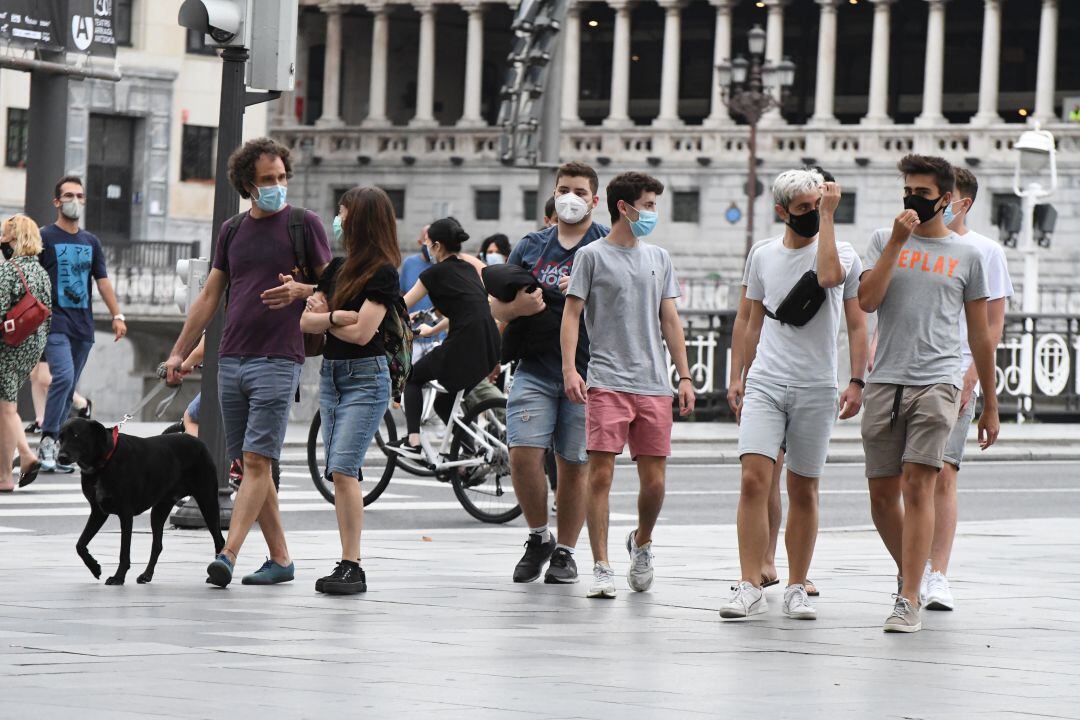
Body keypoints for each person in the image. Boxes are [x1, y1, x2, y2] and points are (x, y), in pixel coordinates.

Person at [165, 137, 332, 588]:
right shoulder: (233, 231)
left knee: (258, 464)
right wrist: (180, 351)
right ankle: (280, 559)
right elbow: (208, 296)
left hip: (279, 358)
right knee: (249, 465)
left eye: (281, 177)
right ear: (247, 185)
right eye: (267, 180)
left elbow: (335, 287)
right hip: (231, 358)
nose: (277, 186)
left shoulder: (304, 224)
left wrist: (302, 292)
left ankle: (228, 553)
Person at [858, 154, 999, 633]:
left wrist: (989, 402)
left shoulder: (968, 256)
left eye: (922, 192)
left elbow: (981, 335)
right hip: (885, 380)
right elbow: (867, 301)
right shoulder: (883, 240)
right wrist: (896, 242)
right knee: (881, 496)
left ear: (945, 199)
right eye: (907, 190)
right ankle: (911, 573)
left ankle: (908, 595)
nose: (912, 199)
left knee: (920, 484)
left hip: (938, 381)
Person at [719, 170, 867, 620]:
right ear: (781, 211)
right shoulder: (762, 254)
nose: (810, 216)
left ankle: (798, 583)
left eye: (816, 207)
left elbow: (836, 291)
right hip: (766, 379)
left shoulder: (839, 250)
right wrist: (737, 375)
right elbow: (747, 319)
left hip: (816, 385)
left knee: (803, 487)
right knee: (753, 480)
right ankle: (748, 582)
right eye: (802, 209)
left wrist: (856, 380)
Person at [562, 171, 695, 599]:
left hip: (654, 384)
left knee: (654, 483)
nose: (653, 212)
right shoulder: (591, 256)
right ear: (625, 207)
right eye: (649, 204)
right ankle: (601, 565)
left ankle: (642, 543)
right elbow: (571, 315)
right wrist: (570, 368)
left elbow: (670, 319)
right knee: (599, 475)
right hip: (606, 381)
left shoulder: (659, 257)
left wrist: (685, 376)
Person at [493, 162, 608, 585]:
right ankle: (538, 536)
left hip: (590, 371)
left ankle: (565, 551)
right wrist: (513, 314)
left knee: (574, 464)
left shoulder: (606, 244)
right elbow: (498, 305)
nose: (570, 199)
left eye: (580, 191)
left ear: (595, 200)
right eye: (563, 190)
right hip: (534, 367)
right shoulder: (531, 246)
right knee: (523, 454)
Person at [918, 167, 1013, 611]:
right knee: (909, 478)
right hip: (909, 372)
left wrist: (975, 374)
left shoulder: (985, 251)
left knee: (945, 473)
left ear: (962, 202)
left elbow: (993, 325)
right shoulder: (913, 242)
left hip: (956, 372)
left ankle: (937, 574)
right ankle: (911, 569)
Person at [302, 187, 401, 595]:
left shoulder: (383, 271)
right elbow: (304, 325)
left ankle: (352, 565)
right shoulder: (337, 269)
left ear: (361, 218)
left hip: (366, 377)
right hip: (332, 376)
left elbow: (363, 333)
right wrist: (337, 316)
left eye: (342, 211)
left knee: (343, 468)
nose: (337, 218)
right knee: (339, 471)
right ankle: (346, 561)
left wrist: (329, 318)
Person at [37, 176, 127, 473]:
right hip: (54, 321)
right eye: (68, 195)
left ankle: (61, 449)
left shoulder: (91, 241)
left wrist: (117, 315)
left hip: (82, 326)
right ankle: (48, 438)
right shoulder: (45, 237)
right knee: (61, 377)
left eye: (79, 195)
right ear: (57, 201)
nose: (74, 200)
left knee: (69, 385)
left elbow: (102, 282)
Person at [395, 217, 500, 456]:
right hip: (490, 345)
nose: (427, 246)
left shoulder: (433, 274)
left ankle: (413, 442)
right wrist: (432, 330)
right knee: (445, 402)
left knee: (412, 378)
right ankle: (469, 453)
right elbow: (467, 310)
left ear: (438, 246)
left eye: (429, 242)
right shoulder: (468, 269)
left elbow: (401, 305)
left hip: (464, 344)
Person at [0, 216, 52, 492]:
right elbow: (48, 314)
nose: (1, 241)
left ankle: (17, 465)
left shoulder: (8, 271)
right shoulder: (41, 272)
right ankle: (12, 468)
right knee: (5, 406)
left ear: (15, 239)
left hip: (8, 345)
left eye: (4, 236)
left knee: (6, 408)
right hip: (32, 344)